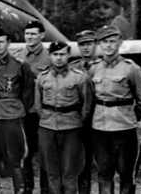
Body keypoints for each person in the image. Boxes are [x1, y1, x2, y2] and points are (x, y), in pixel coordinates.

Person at [90, 25, 141, 194]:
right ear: (100, 45)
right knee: (104, 174)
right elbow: (89, 96)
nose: (108, 46)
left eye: (112, 41)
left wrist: (132, 115)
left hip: (124, 128)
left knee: (126, 174)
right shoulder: (94, 68)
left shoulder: (131, 68)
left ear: (119, 43)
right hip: (100, 128)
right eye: (104, 42)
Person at [0, 27, 35, 194]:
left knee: (16, 158)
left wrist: (18, 109)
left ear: (8, 43)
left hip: (12, 116)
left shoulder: (20, 65)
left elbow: (28, 93)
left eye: (1, 42)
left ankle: (20, 190)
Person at [36, 41, 92, 194]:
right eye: (55, 54)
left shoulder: (80, 78)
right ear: (50, 56)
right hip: (47, 127)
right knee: (52, 173)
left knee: (70, 173)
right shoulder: (42, 77)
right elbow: (38, 105)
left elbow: (86, 106)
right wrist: (48, 119)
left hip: (71, 128)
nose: (59, 58)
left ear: (68, 55)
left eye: (62, 54)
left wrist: (76, 121)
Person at [15, 20, 51, 194]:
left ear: (42, 35)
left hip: (44, 113)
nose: (29, 37)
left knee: (45, 154)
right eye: (27, 34)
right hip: (24, 112)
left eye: (33, 33)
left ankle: (45, 189)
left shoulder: (50, 57)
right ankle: (26, 188)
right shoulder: (17, 56)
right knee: (24, 152)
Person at [69, 29, 97, 194]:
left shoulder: (102, 65)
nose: (86, 48)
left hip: (100, 121)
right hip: (78, 122)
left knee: (103, 164)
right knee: (80, 163)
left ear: (95, 45)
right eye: (82, 45)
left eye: (89, 44)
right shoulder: (72, 67)